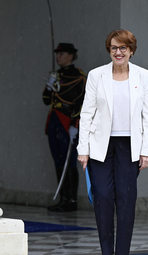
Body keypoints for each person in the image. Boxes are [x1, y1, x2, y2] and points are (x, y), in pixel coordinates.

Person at [77, 29, 148, 255]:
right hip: (100, 145)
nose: (118, 52)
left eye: (123, 48)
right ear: (109, 50)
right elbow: (86, 113)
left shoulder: (143, 75)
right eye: (114, 48)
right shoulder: (95, 75)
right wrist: (83, 149)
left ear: (131, 50)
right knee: (102, 196)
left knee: (126, 200)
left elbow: (147, 115)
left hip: (130, 146)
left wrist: (146, 150)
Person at [42, 43, 86, 212]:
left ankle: (71, 200)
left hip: (68, 121)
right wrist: (49, 85)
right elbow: (46, 100)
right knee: (58, 160)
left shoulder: (78, 76)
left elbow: (82, 102)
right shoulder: (56, 75)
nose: (58, 57)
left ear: (71, 55)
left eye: (62, 53)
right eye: (57, 53)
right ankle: (63, 198)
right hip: (54, 121)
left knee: (69, 161)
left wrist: (75, 124)